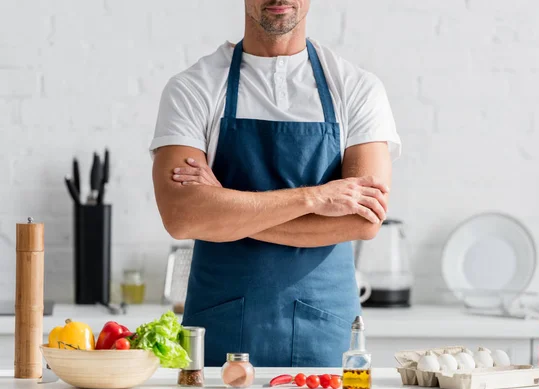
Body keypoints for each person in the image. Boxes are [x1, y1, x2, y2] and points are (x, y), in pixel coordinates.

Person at [150, 0, 400, 367]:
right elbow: (182, 217)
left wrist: (224, 207)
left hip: (326, 339)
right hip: (219, 340)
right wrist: (314, 198)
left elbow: (362, 220)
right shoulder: (193, 88)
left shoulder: (357, 88)